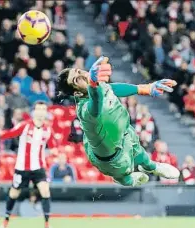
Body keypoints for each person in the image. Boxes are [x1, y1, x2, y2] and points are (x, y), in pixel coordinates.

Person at [56, 56, 180, 186]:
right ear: (77, 94)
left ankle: (151, 167)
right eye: (77, 79)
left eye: (79, 71)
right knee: (124, 174)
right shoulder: (85, 110)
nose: (83, 75)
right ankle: (125, 180)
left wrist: (145, 88)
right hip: (112, 159)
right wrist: (93, 85)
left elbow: (111, 89)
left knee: (139, 151)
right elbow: (96, 104)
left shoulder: (99, 86)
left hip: (123, 133)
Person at [0, 101, 52, 228]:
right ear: (34, 111)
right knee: (14, 193)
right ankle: (6, 220)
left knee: (45, 191)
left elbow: (50, 146)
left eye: (43, 109)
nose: (41, 112)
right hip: (22, 168)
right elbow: (8, 134)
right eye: (38, 109)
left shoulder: (47, 129)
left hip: (39, 167)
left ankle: (46, 223)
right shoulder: (25, 126)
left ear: (46, 112)